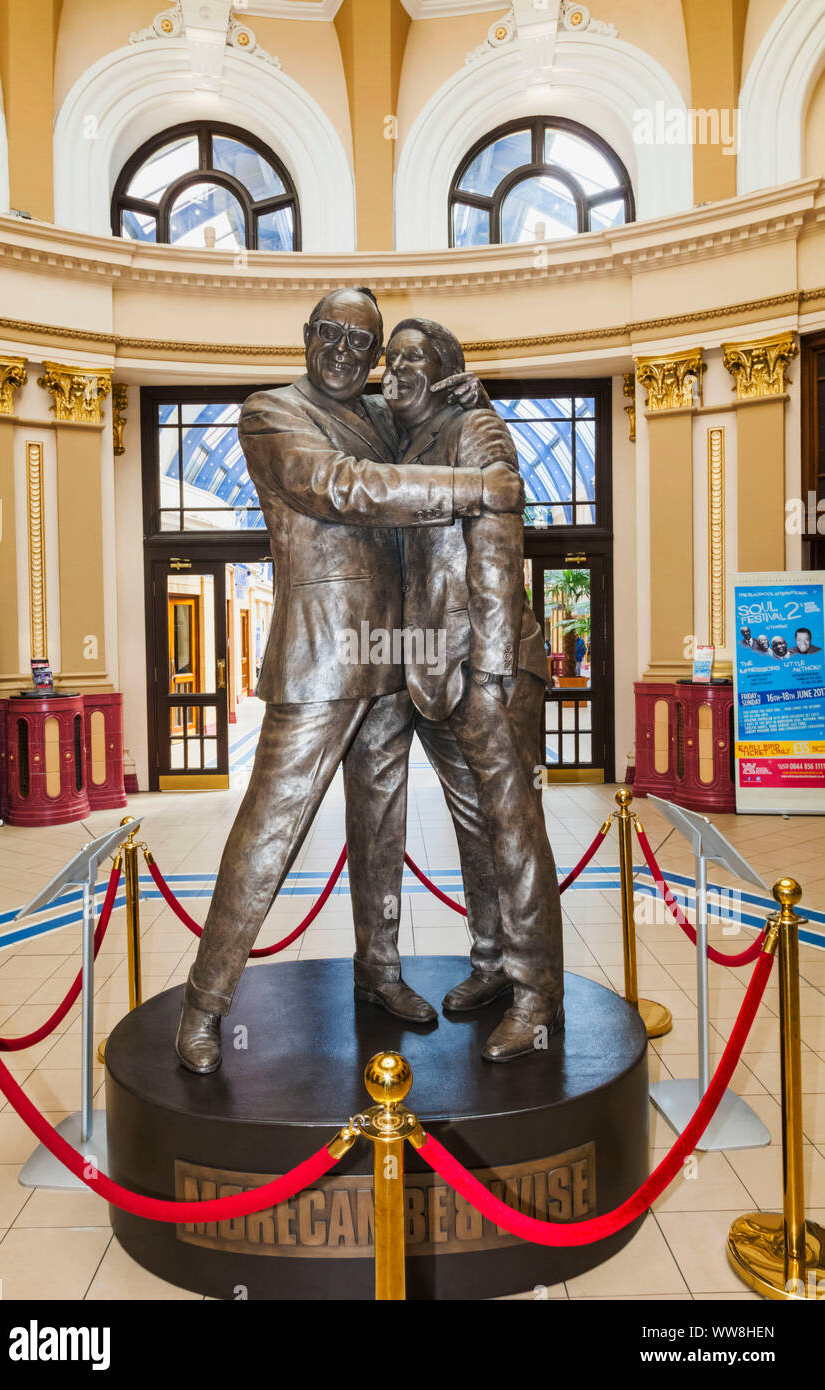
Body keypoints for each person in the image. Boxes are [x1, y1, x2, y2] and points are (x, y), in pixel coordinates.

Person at [175, 288, 525, 1073]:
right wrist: (475, 491)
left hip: (394, 653)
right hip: (321, 657)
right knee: (271, 829)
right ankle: (205, 1004)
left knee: (382, 829)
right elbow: (341, 488)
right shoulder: (272, 412)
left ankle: (380, 970)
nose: (346, 350)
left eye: (361, 342)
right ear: (306, 335)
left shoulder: (377, 417)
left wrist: (470, 395)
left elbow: (435, 426)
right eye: (331, 333)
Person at [344, 317, 563, 1061]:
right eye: (391, 357)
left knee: (514, 828)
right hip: (428, 667)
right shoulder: (398, 440)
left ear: (443, 371)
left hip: (486, 665)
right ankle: (492, 964)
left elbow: (497, 548)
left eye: (414, 357)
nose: (395, 367)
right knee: (476, 824)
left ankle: (535, 995)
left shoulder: (475, 431)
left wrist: (496, 667)